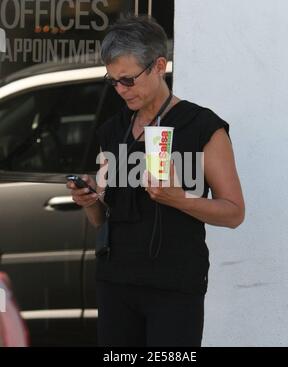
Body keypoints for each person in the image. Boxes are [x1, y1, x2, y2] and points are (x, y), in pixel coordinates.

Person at [66, 16, 245, 347]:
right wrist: (90, 200)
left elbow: (234, 212)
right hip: (116, 283)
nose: (121, 90)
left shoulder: (202, 127)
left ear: (159, 66)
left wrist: (179, 199)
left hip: (174, 285)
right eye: (113, 81)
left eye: (129, 80)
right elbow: (104, 220)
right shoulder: (112, 130)